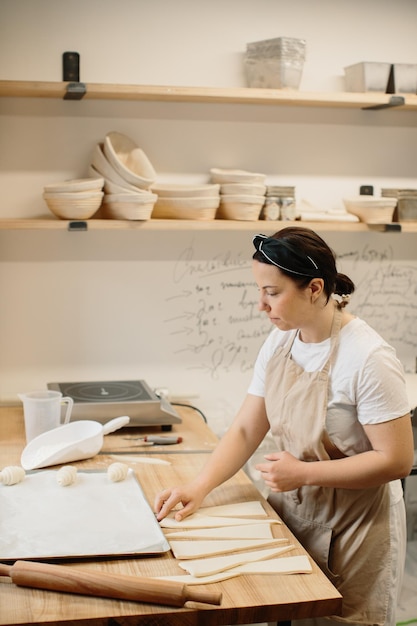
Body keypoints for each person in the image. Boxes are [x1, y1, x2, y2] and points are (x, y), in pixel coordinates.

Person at [154, 226, 414, 626]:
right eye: (260, 291)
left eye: (272, 292)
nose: (261, 305)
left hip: (356, 528)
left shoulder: (368, 358)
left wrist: (304, 472)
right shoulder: (281, 342)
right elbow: (245, 428)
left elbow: (396, 461)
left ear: (313, 288)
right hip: (294, 513)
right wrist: (198, 487)